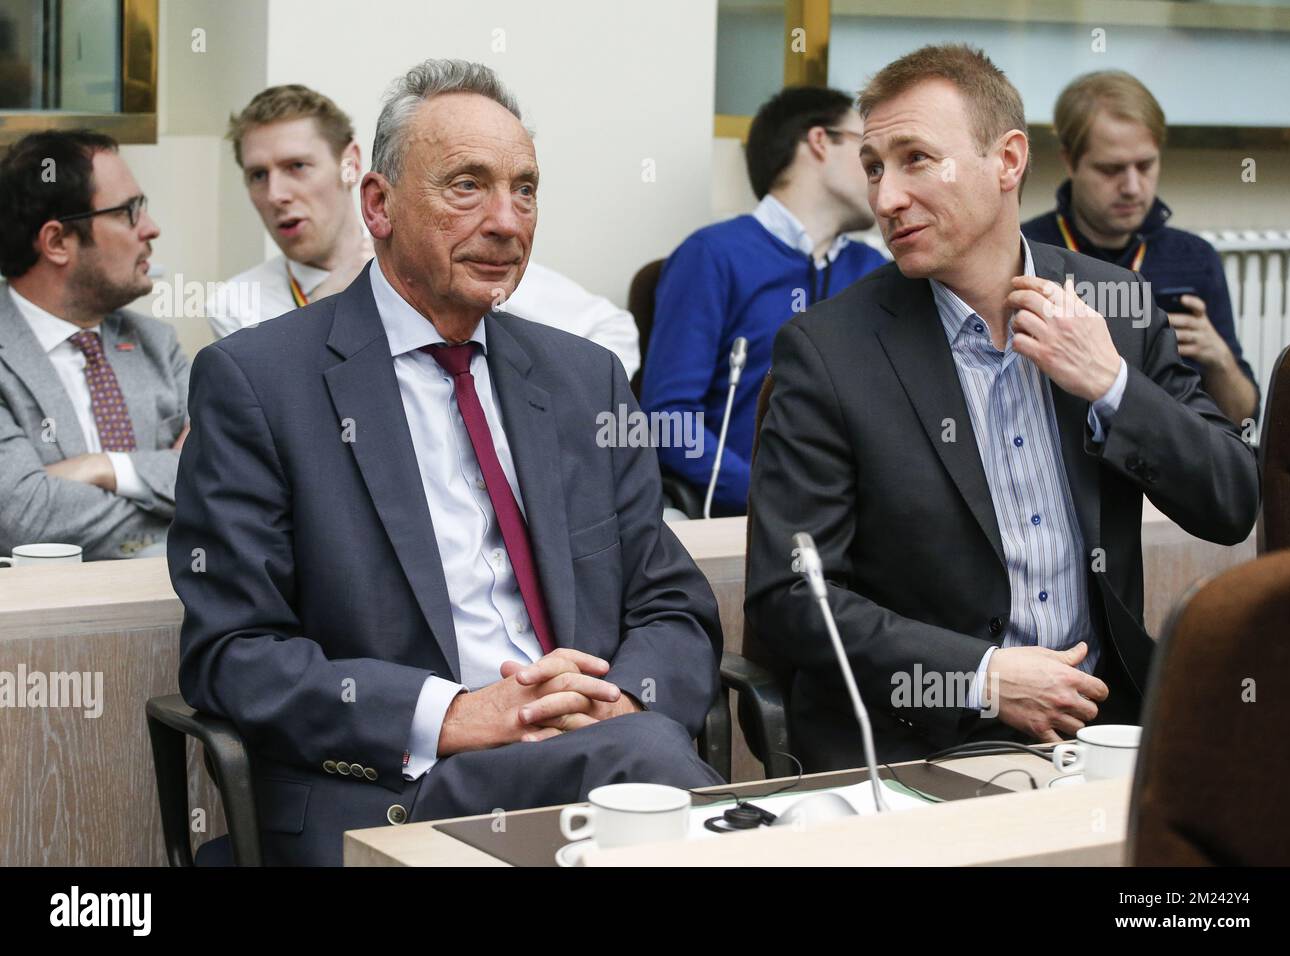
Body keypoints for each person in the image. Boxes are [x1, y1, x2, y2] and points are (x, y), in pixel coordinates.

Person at [169, 59, 723, 866]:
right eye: (467, 186)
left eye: (525, 189)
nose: (507, 221)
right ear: (380, 205)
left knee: (639, 768)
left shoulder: (581, 380)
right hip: (401, 794)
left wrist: (620, 702)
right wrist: (454, 713)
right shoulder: (259, 382)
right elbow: (232, 654)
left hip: (596, 748)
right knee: (655, 785)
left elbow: (673, 604)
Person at [746, 45, 1259, 770]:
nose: (886, 198)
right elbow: (791, 598)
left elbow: (1232, 500)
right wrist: (982, 677)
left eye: (916, 158)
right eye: (873, 168)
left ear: (1008, 161)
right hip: (922, 737)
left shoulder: (1116, 308)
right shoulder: (827, 351)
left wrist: (1111, 384)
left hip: (1103, 727)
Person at [211, 84, 640, 379]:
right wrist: (345, 296)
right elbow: (286, 406)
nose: (277, 194)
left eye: (296, 167)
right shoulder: (238, 304)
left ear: (351, 163)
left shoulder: (449, 262)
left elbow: (613, 333)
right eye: (257, 176)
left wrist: (541, 413)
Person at [640, 86, 887, 515]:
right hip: (742, 520)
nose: (878, 172)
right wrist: (767, 497)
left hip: (859, 525)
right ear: (819, 141)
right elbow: (669, 421)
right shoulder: (713, 256)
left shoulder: (875, 270)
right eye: (866, 149)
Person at [1023, 71, 1258, 426]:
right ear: (1069, 162)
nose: (1133, 187)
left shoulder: (1196, 259)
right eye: (1111, 169)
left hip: (1169, 463)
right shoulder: (1026, 251)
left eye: (1145, 165)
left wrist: (1220, 360)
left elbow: (1242, 419)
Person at [0, 130, 189, 561]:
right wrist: (172, 512)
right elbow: (23, 517)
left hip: (173, 615)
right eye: (129, 211)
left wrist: (104, 468)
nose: (151, 228)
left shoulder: (158, 345)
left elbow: (230, 476)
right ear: (57, 242)